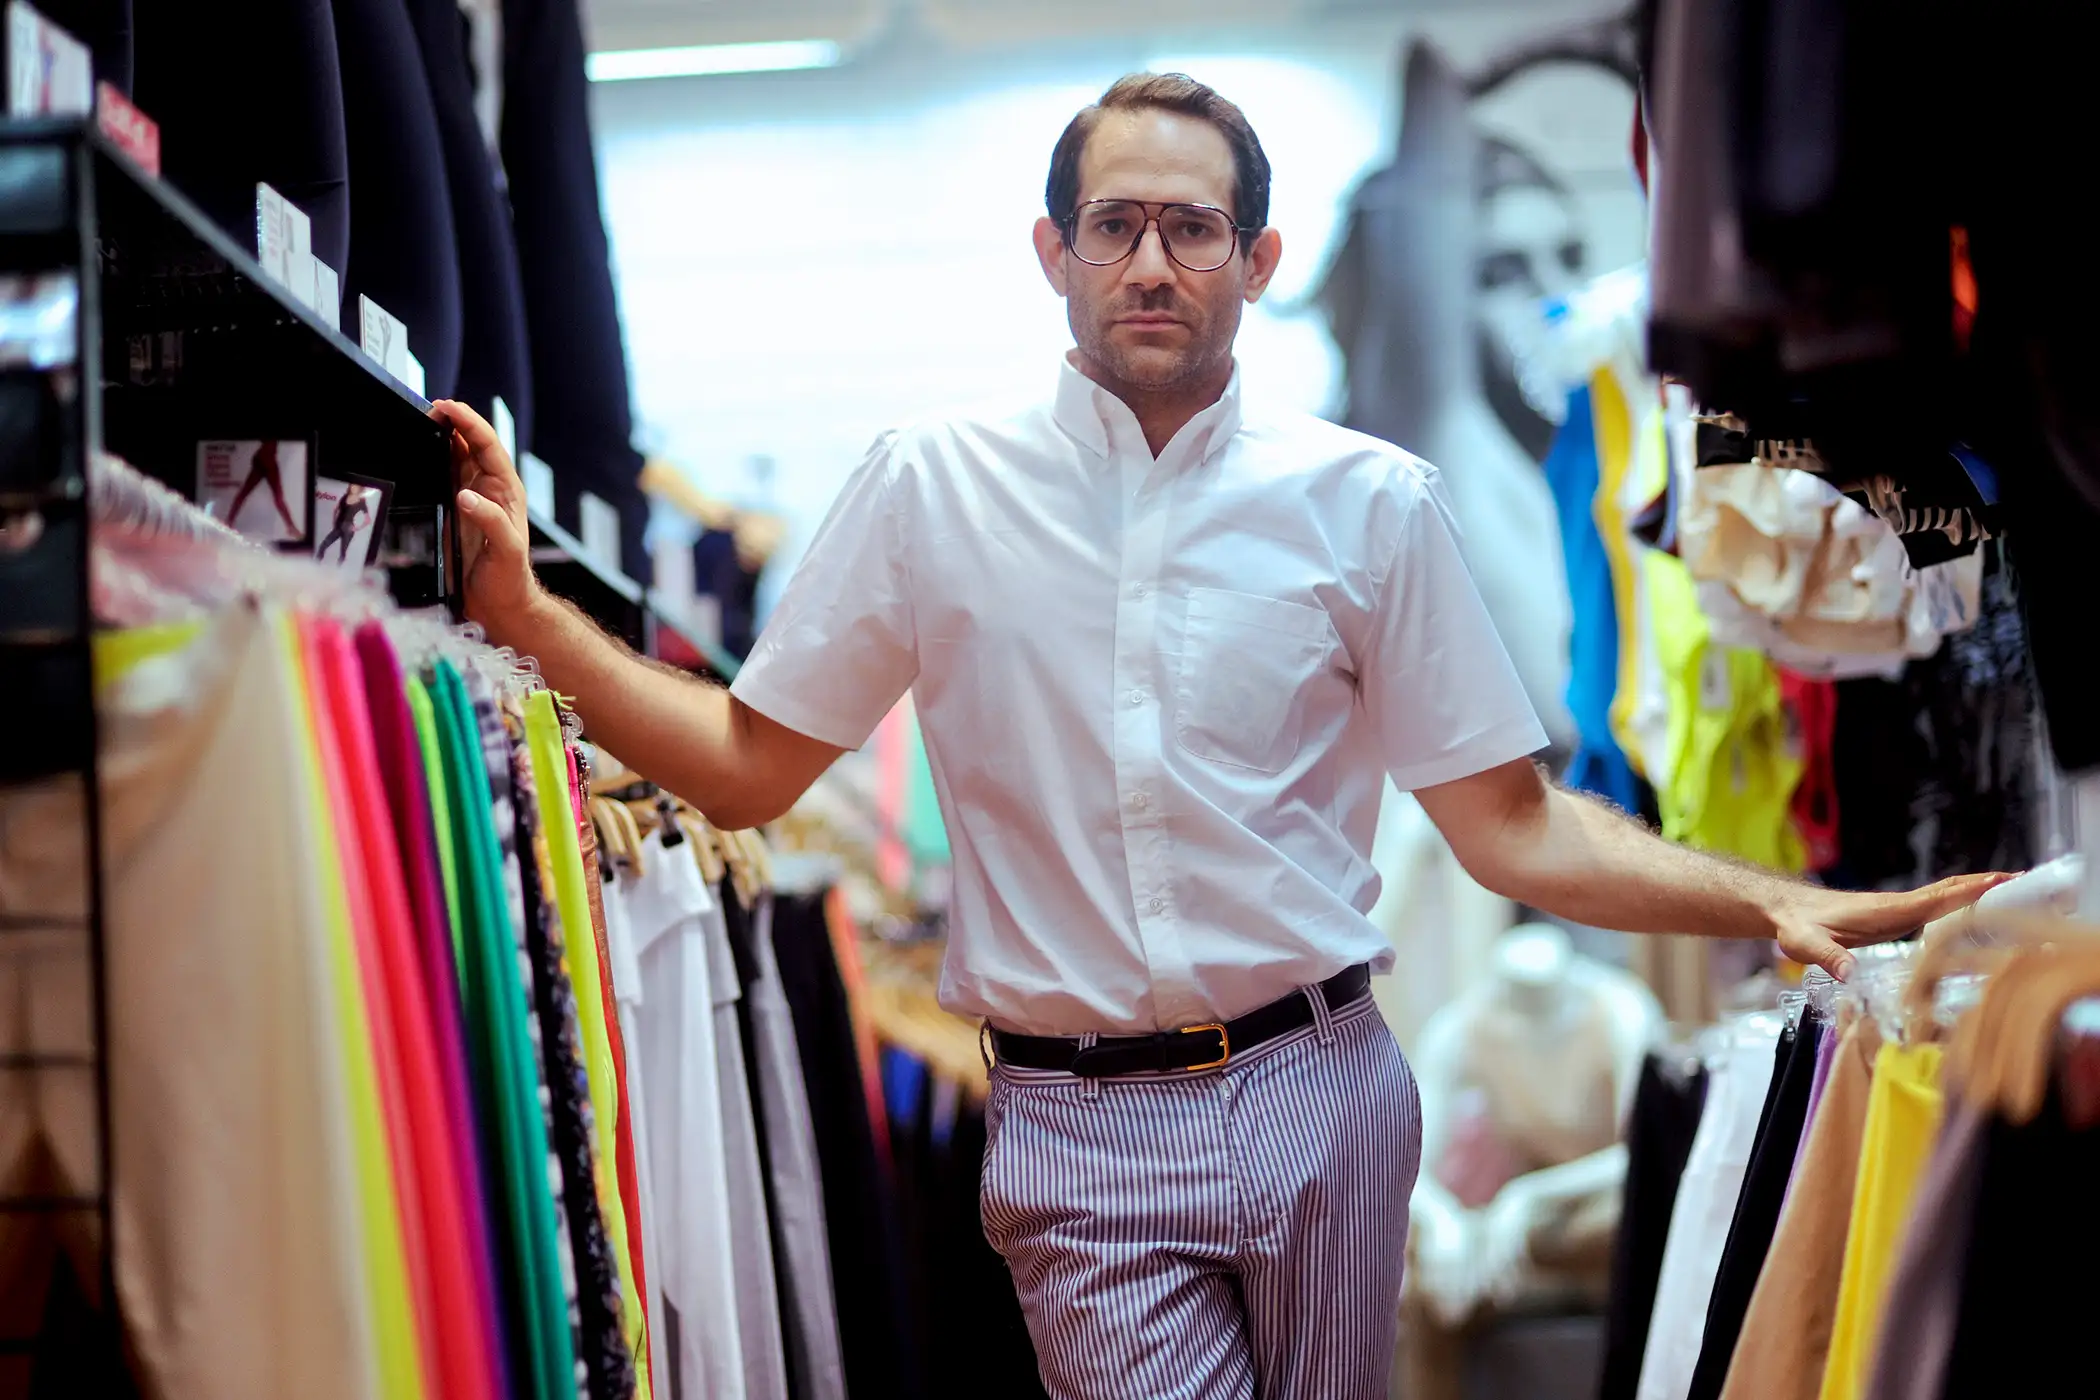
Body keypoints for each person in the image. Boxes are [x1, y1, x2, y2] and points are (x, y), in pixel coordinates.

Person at [431, 72, 2003, 1400]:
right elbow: (744, 767)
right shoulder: (929, 489)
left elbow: (1510, 825)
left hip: (1322, 1089)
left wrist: (1769, 899)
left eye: (1191, 228)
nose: (1151, 263)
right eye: (1114, 225)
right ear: (1053, 251)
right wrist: (530, 619)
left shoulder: (1369, 503)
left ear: (1258, 257)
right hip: (1075, 1121)